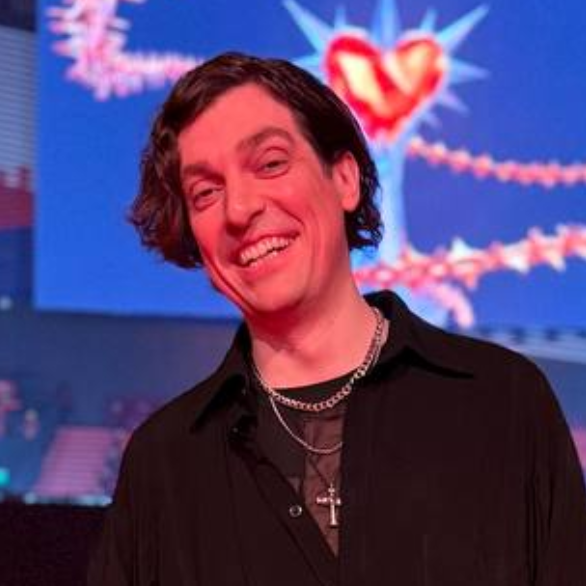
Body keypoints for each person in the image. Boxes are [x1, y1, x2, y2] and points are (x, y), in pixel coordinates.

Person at [88, 52, 586, 586]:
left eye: (270, 163)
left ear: (345, 179)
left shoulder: (504, 402)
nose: (239, 209)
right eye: (205, 193)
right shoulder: (163, 464)